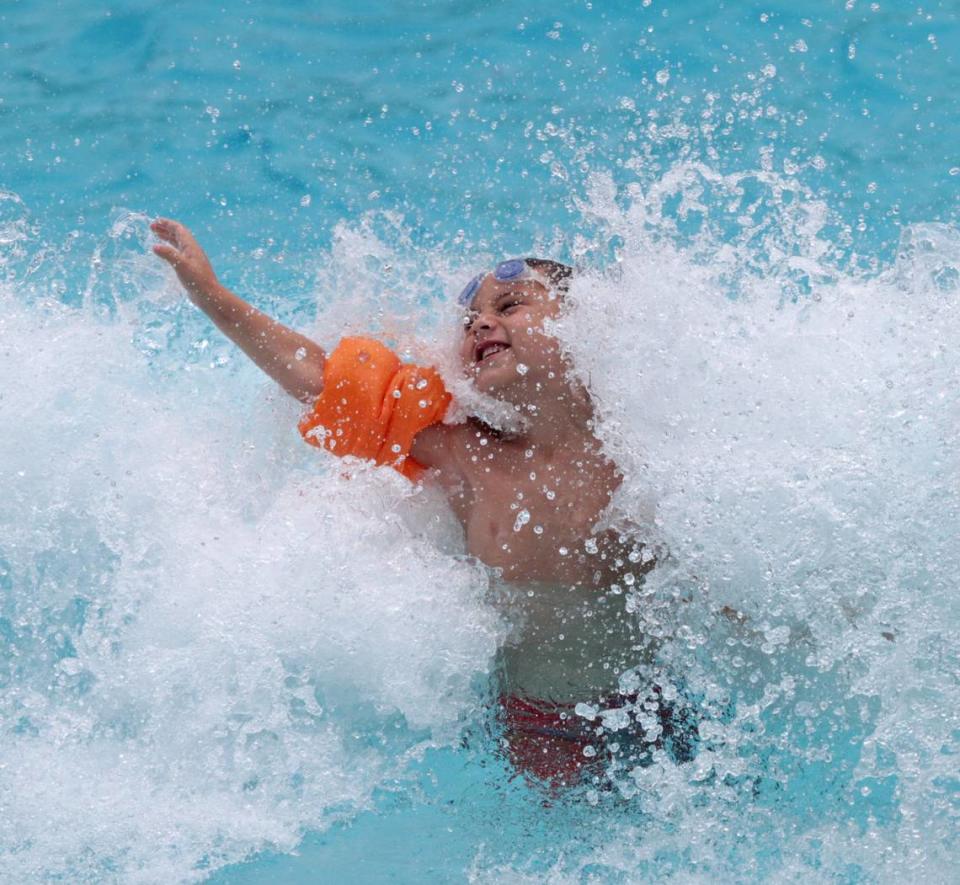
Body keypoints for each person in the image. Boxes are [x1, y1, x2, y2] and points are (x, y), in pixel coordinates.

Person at [151, 217, 693, 787]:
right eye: (469, 320)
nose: (482, 321)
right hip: (531, 723)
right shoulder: (464, 453)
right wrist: (212, 295)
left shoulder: (645, 456)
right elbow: (319, 379)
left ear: (588, 329)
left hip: (650, 709)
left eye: (510, 306)